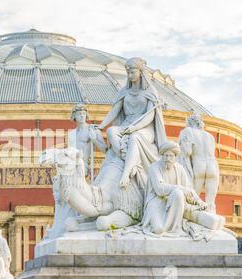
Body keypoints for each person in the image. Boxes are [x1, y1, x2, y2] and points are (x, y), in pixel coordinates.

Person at [98, 57, 167, 189]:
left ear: (141, 72)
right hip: (126, 124)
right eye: (128, 73)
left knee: (135, 138)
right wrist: (101, 126)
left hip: (145, 128)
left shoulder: (150, 92)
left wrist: (135, 127)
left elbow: (150, 116)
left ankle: (126, 172)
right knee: (111, 131)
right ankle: (127, 157)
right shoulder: (124, 91)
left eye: (132, 72)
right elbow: (114, 112)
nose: (130, 75)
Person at [141, 141, 207, 235]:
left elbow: (188, 189)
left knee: (178, 193)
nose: (168, 159)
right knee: (158, 230)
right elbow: (159, 189)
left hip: (174, 204)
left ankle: (175, 228)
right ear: (162, 156)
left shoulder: (179, 168)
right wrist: (180, 188)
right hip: (156, 203)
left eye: (171, 156)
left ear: (175, 157)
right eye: (166, 155)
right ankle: (166, 227)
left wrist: (198, 201)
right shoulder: (154, 167)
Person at [178, 113, 219, 213]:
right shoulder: (210, 136)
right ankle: (211, 220)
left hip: (199, 165)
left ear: (189, 122)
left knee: (193, 200)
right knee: (210, 204)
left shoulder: (188, 131)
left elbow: (187, 152)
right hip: (213, 166)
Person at [68, 103, 107, 179]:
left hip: (85, 165)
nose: (82, 116)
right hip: (73, 164)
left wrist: (94, 139)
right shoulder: (71, 134)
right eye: (79, 114)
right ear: (74, 116)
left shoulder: (93, 130)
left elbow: (105, 150)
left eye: (84, 113)